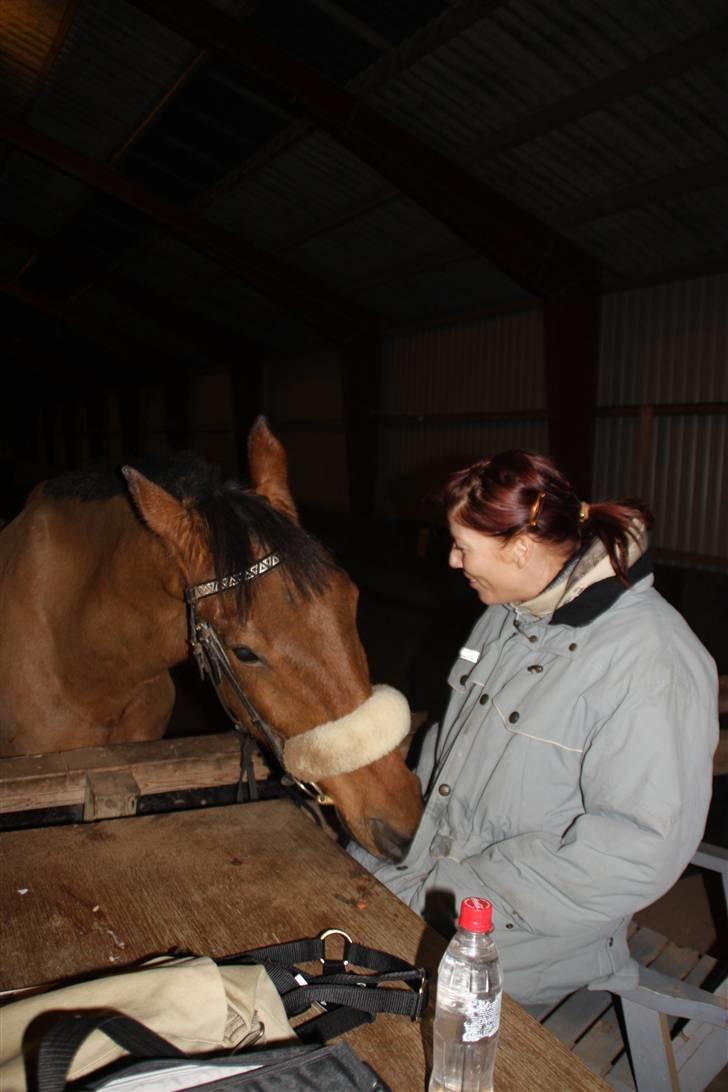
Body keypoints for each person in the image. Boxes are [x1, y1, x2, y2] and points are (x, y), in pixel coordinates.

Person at [350, 449, 719, 1005]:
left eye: (463, 546)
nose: (453, 560)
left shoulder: (654, 662)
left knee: (355, 991)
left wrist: (454, 891)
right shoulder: (508, 613)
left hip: (528, 928)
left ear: (520, 548)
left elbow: (636, 852)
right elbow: (448, 746)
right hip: (431, 870)